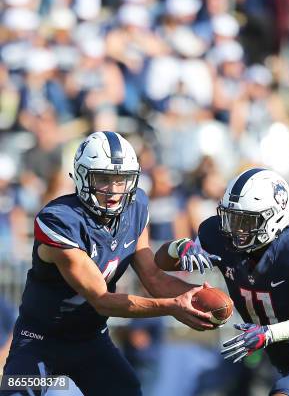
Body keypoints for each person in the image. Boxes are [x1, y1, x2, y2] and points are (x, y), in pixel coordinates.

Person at [0, 131, 218, 396]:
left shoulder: (136, 207)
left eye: (121, 180)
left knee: (128, 390)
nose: (114, 190)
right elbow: (101, 299)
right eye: (103, 179)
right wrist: (173, 307)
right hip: (41, 340)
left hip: (91, 339)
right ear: (82, 177)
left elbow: (154, 277)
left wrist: (193, 298)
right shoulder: (59, 221)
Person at [156, 168, 289, 395]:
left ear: (273, 217)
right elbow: (162, 261)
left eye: (244, 220)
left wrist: (270, 333)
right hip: (287, 361)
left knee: (285, 392)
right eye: (230, 217)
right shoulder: (218, 237)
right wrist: (180, 247)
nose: (233, 229)